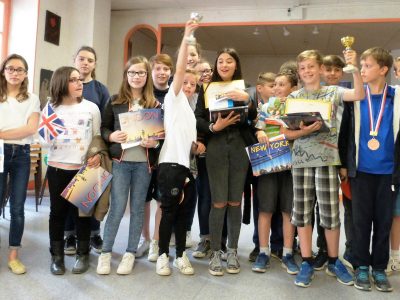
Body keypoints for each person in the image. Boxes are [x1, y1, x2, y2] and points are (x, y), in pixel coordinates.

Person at [282, 49, 364, 288]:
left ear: (320, 68)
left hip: (328, 161)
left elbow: (358, 94)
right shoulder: (294, 96)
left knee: (330, 215)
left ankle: (332, 260)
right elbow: (286, 132)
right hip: (301, 162)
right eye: (302, 68)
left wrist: (355, 68)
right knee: (302, 213)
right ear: (299, 72)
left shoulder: (334, 91)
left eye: (310, 67)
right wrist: (304, 131)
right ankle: (306, 261)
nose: (307, 71)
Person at [195, 48, 257, 276]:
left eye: (229, 61)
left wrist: (249, 101)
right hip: (216, 148)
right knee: (218, 202)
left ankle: (231, 250)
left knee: (234, 202)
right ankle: (215, 252)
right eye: (220, 61)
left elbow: (255, 119)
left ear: (236, 64)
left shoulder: (247, 88)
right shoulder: (206, 89)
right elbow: (198, 119)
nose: (224, 64)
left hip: (240, 147)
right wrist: (214, 127)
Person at [96, 56, 160, 275]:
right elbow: (104, 129)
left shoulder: (155, 104)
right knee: (117, 208)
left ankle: (130, 252)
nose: (136, 77)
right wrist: (112, 135)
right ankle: (105, 252)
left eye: (141, 73)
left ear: (147, 76)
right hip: (120, 163)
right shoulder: (114, 101)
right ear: (126, 75)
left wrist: (155, 142)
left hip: (144, 165)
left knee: (138, 210)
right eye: (132, 73)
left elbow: (161, 136)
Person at [345, 47, 398, 292]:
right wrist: (345, 166)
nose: (363, 70)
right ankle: (361, 267)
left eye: (367, 66)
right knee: (361, 222)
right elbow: (345, 134)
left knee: (384, 222)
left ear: (383, 69)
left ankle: (379, 267)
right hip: (361, 171)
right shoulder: (356, 97)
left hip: (388, 172)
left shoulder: (396, 97)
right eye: (362, 66)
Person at [45, 66, 101, 275]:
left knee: (83, 215)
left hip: (84, 169)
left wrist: (96, 154)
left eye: (80, 80)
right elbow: (43, 140)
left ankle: (83, 254)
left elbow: (97, 137)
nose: (80, 84)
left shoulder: (92, 108)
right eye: (73, 80)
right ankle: (57, 257)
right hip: (58, 168)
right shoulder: (50, 108)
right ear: (61, 83)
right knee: (57, 214)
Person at [155, 19, 201, 276]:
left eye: (192, 85)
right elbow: (182, 67)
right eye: (184, 82)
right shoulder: (173, 99)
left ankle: (181, 256)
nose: (187, 86)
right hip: (169, 165)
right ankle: (163, 255)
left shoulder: (191, 113)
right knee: (169, 211)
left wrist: (197, 147)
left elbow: (189, 143)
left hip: (187, 167)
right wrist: (187, 36)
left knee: (184, 216)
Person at [64, 46, 111, 256]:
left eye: (90, 60)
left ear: (94, 64)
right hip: (68, 152)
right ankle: (69, 235)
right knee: (69, 195)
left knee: (89, 195)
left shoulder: (100, 90)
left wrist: (98, 153)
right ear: (74, 60)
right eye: (81, 58)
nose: (85, 63)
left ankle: (94, 233)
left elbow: (105, 123)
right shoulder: (64, 85)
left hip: (92, 152)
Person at [252, 70, 299, 275]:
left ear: (293, 88)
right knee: (265, 209)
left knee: (288, 210)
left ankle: (287, 253)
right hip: (269, 162)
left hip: (291, 164)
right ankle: (263, 252)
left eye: (282, 84)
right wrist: (259, 131)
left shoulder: (298, 106)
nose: (277, 88)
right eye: (275, 84)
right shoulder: (266, 107)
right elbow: (258, 126)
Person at [0, 54, 40, 274]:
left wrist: (0, 134)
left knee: (17, 207)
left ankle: (14, 255)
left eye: (20, 69)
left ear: (25, 74)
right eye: (10, 68)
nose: (15, 73)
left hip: (22, 154)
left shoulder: (32, 99)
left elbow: (30, 129)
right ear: (3, 70)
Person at [314, 54, 350, 270]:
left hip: (341, 153)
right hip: (321, 154)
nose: (332, 73)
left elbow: (348, 131)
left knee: (339, 206)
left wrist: (344, 162)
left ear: (342, 72)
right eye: (328, 69)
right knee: (321, 204)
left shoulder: (345, 95)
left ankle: (345, 250)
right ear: (321, 71)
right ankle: (323, 249)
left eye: (337, 70)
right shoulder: (315, 94)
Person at [135, 53, 173, 261]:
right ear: (151, 71)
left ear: (170, 72)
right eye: (157, 68)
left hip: (165, 156)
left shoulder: (174, 96)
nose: (161, 72)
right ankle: (145, 238)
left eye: (165, 69)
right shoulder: (142, 96)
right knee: (143, 199)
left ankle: (156, 242)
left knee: (161, 200)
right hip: (142, 155)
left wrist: (159, 141)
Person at [386, 56, 400, 275]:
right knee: (396, 213)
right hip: (396, 161)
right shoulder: (393, 94)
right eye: (398, 70)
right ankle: (395, 257)